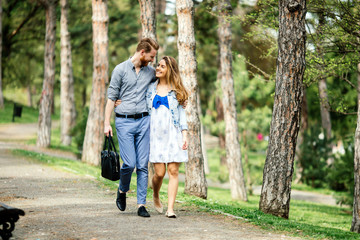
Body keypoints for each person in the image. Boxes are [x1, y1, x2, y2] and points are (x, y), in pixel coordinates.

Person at [104, 38, 159, 218]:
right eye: (151, 56)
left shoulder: (150, 72)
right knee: (129, 163)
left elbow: (167, 77)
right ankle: (122, 189)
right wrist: (106, 123)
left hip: (144, 121)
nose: (153, 60)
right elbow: (111, 98)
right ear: (142, 52)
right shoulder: (119, 70)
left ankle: (141, 204)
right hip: (124, 122)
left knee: (143, 165)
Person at [146, 56, 189, 218]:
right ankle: (156, 195)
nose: (158, 68)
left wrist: (185, 135)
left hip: (173, 135)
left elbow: (182, 115)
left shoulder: (177, 91)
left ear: (169, 69)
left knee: (173, 171)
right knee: (159, 173)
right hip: (155, 136)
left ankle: (171, 209)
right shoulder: (150, 89)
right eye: (158, 65)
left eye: (162, 66)